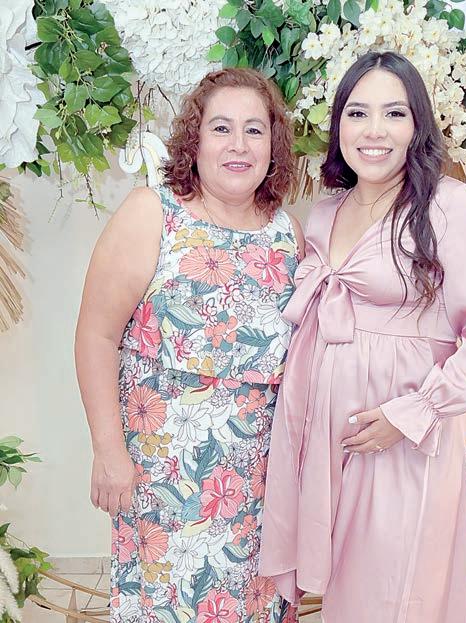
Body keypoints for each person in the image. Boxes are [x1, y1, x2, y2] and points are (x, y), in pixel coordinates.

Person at [259, 51, 466, 623]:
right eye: (358, 113)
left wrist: (414, 412)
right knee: (345, 597)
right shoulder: (326, 210)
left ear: (417, 125)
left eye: (394, 113)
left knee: (393, 596)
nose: (374, 130)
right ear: (338, 125)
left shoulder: (447, 206)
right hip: (329, 435)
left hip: (400, 435)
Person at [75, 68, 304, 623]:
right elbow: (96, 336)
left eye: (254, 130)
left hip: (258, 485)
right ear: (194, 140)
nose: (238, 144)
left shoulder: (288, 234)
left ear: (273, 146)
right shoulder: (151, 212)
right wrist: (109, 452)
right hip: (164, 480)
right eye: (221, 127)